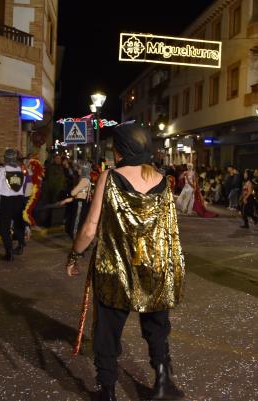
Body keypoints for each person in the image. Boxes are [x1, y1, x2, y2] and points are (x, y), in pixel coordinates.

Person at [66, 122, 185, 400]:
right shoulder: (163, 180)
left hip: (115, 269)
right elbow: (168, 230)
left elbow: (89, 228)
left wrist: (74, 255)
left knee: (107, 333)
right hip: (154, 268)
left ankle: (107, 392)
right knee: (157, 330)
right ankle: (163, 385)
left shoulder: (109, 177)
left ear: (120, 151)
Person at [0, 149, 27, 262]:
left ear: (5, 158)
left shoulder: (0, 171)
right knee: (18, 224)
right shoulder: (20, 171)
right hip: (19, 200)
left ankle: (9, 252)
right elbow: (22, 188)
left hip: (6, 200)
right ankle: (20, 246)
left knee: (4, 227)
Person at [63, 161, 92, 239]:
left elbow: (73, 192)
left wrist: (72, 191)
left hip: (80, 202)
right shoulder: (86, 179)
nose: (78, 170)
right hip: (81, 201)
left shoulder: (84, 180)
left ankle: (75, 237)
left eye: (80, 169)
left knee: (77, 220)